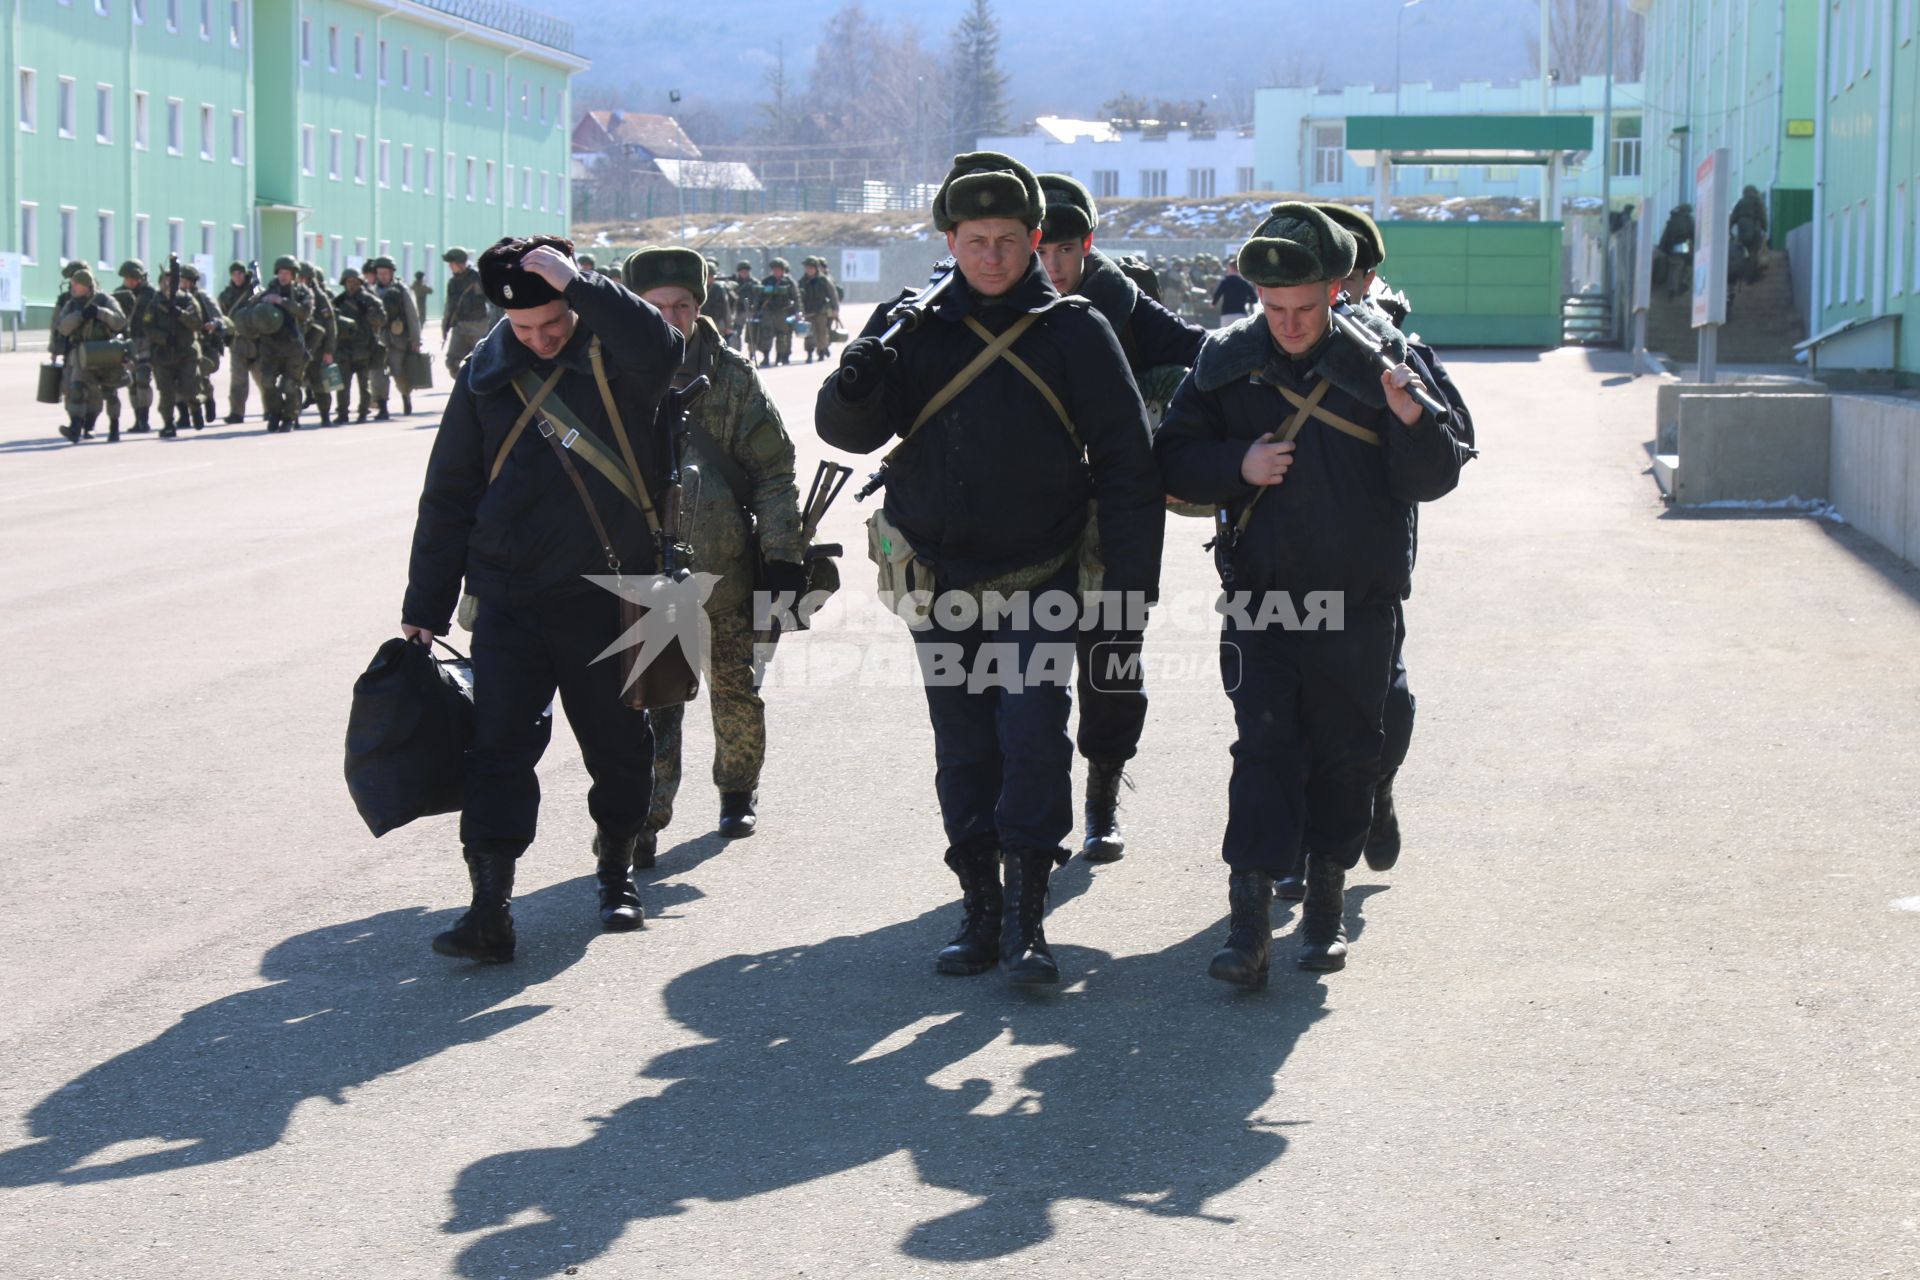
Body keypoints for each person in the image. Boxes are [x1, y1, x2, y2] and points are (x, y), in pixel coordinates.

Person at [816, 151, 1165, 985]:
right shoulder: (913, 325)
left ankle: (1030, 917)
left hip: (1039, 577)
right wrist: (858, 378)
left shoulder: (1077, 331)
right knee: (964, 746)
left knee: (1033, 737)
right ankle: (979, 908)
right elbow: (848, 434)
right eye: (977, 240)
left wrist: (1129, 588)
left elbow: (1126, 461)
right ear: (949, 239)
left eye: (1010, 240)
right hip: (940, 582)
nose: (994, 257)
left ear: (1036, 240)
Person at [1154, 203, 1472, 984]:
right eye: (1275, 308)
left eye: (1306, 307)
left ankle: (1325, 908)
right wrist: (1238, 464)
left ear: (1337, 289)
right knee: (1263, 748)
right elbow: (1170, 460)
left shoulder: (1387, 358)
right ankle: (1247, 926)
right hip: (1261, 596)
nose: (1290, 324)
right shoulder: (1226, 360)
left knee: (1345, 753)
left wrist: (1409, 419)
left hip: (1358, 599)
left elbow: (1436, 474)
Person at [401, 236, 684, 963]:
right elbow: (449, 494)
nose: (540, 338)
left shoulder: (618, 359)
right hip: (509, 597)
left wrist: (583, 285)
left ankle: (617, 873)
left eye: (552, 321)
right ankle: (489, 906)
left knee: (620, 748)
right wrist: (425, 606)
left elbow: (664, 350)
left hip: (613, 595)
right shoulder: (485, 375)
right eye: (523, 328)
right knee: (495, 751)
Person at [1035, 172, 1206, 863]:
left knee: (1111, 669)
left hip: (1116, 522)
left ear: (1087, 245)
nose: (1051, 267)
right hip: (1027, 521)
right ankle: (1033, 816)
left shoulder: (1124, 305)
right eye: (1040, 250)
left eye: (1064, 251)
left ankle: (1101, 798)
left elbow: (1204, 356)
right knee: (1027, 675)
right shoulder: (998, 308)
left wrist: (1168, 433)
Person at [623, 246, 808, 851]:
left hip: (726, 574)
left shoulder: (731, 377)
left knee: (735, 691)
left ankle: (736, 792)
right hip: (646, 577)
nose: (671, 318)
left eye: (683, 306)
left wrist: (783, 556)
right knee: (654, 705)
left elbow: (774, 473)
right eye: (656, 308)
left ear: (700, 309)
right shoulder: (611, 374)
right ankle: (644, 819)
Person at [1315, 201, 1476, 893]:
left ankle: (1378, 792)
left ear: (1366, 279)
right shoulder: (1260, 346)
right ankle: (1312, 844)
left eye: (1339, 276)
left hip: (1368, 568)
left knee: (1389, 704)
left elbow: (1457, 438)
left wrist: (1408, 406)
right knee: (1283, 717)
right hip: (1274, 568)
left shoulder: (1401, 352)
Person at [54, 269, 129, 443]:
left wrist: (100, 313)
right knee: (77, 388)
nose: (72, 287)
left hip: (106, 352)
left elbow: (119, 321)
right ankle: (74, 428)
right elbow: (63, 327)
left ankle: (114, 427)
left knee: (110, 391)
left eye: (76, 284)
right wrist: (80, 316)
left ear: (86, 286)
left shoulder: (105, 300)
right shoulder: (72, 305)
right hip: (83, 355)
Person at [254, 255, 314, 433]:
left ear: (294, 274)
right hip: (270, 346)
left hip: (293, 346)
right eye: (281, 272)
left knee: (290, 385)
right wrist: (261, 302)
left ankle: (289, 417)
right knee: (267, 382)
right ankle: (274, 413)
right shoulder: (269, 291)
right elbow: (251, 310)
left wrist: (282, 302)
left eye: (287, 272)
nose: (283, 276)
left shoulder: (303, 292)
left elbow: (304, 312)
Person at [146, 265, 207, 438]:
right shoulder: (155, 303)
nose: (168, 283)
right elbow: (147, 326)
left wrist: (179, 313)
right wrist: (163, 338)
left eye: (172, 280)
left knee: (190, 389)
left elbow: (196, 323)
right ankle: (168, 424)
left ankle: (195, 408)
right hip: (163, 354)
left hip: (186, 352)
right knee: (166, 392)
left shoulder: (187, 300)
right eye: (165, 280)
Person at [333, 267, 390, 424]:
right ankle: (342, 412)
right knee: (342, 385)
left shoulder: (369, 300)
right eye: (349, 282)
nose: (351, 285)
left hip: (364, 349)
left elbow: (382, 320)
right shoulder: (339, 301)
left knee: (364, 385)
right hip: (344, 348)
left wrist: (367, 312)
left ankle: (363, 411)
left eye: (355, 282)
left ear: (360, 283)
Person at [369, 255, 423, 418]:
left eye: (385, 273)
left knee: (398, 373)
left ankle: (405, 395)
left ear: (391, 273)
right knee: (377, 373)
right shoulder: (372, 291)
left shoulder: (402, 290)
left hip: (398, 340)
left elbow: (413, 316)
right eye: (379, 273)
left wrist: (415, 340)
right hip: (379, 339)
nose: (382, 276)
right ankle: (382, 407)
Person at [113, 260, 160, 437]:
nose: (130, 281)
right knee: (132, 383)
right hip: (128, 343)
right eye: (127, 278)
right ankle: (137, 418)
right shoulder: (119, 294)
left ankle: (144, 419)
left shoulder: (152, 294)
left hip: (146, 342)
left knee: (143, 379)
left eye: (133, 278)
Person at [181, 264, 229, 423]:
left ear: (192, 281)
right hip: (182, 345)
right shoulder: (175, 297)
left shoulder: (201, 296)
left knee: (201, 377)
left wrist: (214, 324)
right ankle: (183, 415)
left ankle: (208, 400)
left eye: (184, 280)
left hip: (204, 345)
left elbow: (218, 317)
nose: (181, 283)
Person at [441, 246, 498, 376]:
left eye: (452, 263)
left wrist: (494, 325)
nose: (450, 266)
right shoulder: (452, 282)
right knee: (451, 362)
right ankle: (465, 387)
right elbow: (449, 307)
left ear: (460, 263)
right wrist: (445, 328)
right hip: (460, 327)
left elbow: (492, 301)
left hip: (479, 326)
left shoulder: (478, 277)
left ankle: (480, 389)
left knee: (482, 361)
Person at [298, 261, 340, 426]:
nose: (298, 280)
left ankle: (325, 416)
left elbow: (330, 326)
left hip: (317, 348)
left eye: (301, 277)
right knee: (294, 384)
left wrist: (329, 351)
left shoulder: (319, 297)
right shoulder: (295, 294)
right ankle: (293, 417)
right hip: (298, 348)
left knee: (321, 385)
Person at [218, 262, 259, 424]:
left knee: (263, 379)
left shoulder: (255, 292)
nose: (237, 277)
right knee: (238, 380)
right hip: (238, 341)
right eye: (234, 274)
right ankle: (236, 412)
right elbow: (223, 317)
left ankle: (271, 409)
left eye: (240, 273)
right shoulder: (226, 295)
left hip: (256, 341)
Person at [753, 258, 799, 367]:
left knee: (782, 336)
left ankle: (779, 357)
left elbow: (796, 298)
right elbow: (759, 297)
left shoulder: (789, 282)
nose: (776, 271)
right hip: (768, 312)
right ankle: (766, 357)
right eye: (774, 269)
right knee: (766, 335)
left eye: (778, 269)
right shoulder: (766, 281)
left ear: (783, 270)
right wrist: (755, 310)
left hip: (783, 312)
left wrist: (798, 312)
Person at [798, 256, 840, 364]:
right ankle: (809, 353)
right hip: (808, 312)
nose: (809, 270)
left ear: (816, 268)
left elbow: (833, 294)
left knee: (822, 332)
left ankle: (821, 352)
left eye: (811, 268)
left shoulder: (824, 280)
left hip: (821, 311)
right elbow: (798, 297)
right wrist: (799, 311)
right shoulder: (802, 281)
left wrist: (835, 308)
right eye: (807, 268)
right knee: (809, 333)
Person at [1212, 258, 1257, 326]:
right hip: (1241, 315)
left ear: (1229, 268)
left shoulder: (1225, 282)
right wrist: (1244, 300)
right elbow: (1255, 299)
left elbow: (1217, 294)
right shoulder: (1244, 283)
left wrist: (1213, 304)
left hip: (1227, 315)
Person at [697, 258, 732, 336]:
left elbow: (726, 308)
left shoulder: (719, 288)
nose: (710, 278)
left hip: (717, 322)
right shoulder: (698, 288)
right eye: (708, 276)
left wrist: (728, 325)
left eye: (712, 276)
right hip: (701, 321)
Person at [728, 261, 756, 350]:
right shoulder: (733, 283)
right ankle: (737, 353)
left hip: (751, 311)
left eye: (746, 271)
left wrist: (755, 308)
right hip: (738, 312)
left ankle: (752, 353)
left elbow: (759, 297)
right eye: (742, 271)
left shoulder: (754, 283)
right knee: (736, 333)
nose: (744, 273)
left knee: (752, 334)